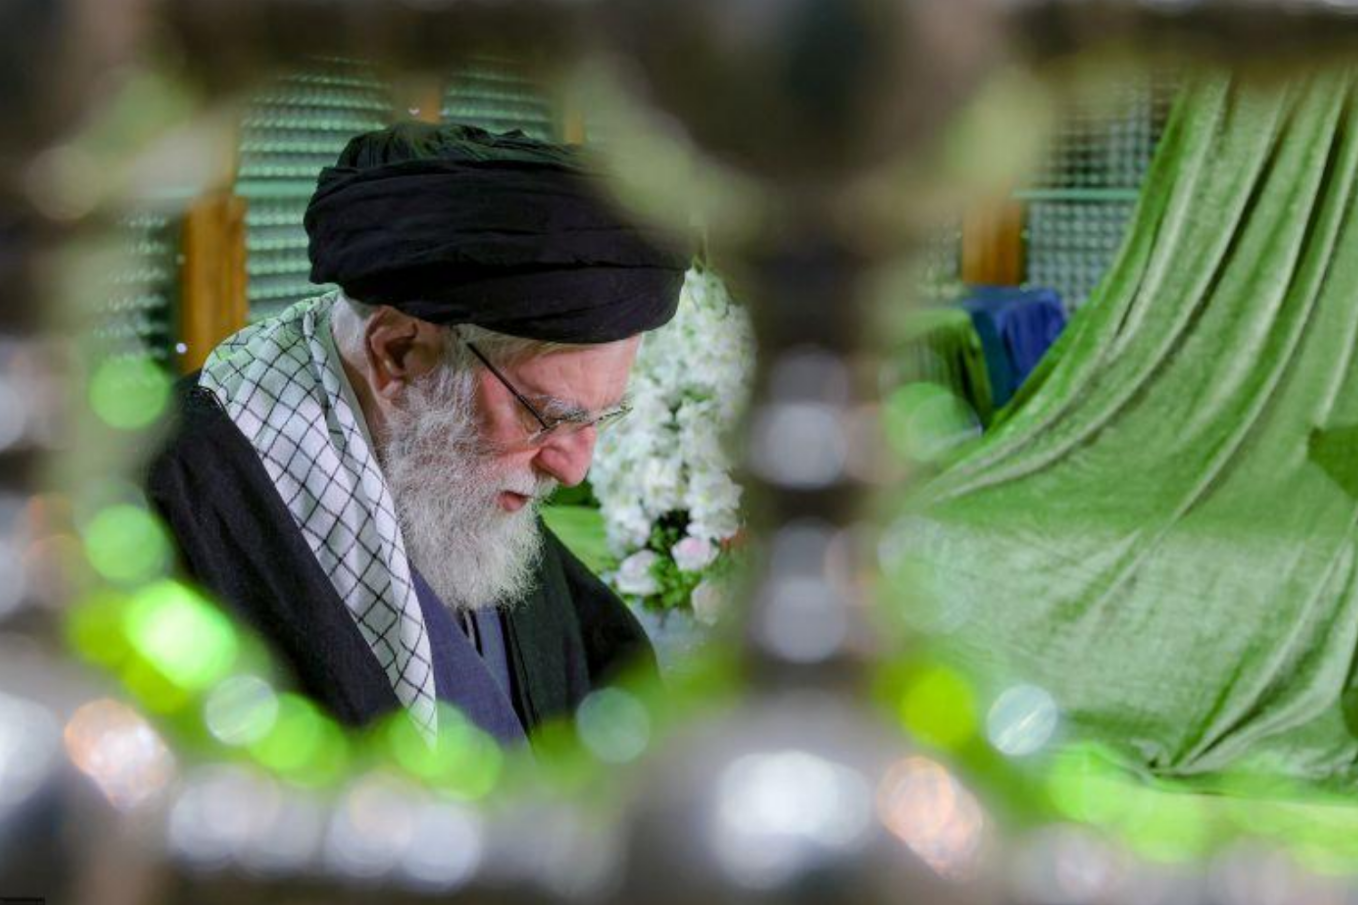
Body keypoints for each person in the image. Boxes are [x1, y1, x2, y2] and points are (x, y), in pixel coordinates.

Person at [146, 123, 690, 745]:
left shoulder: (460, 473)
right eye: (547, 416)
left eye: (596, 418)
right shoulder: (167, 503)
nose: (573, 468)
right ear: (399, 352)